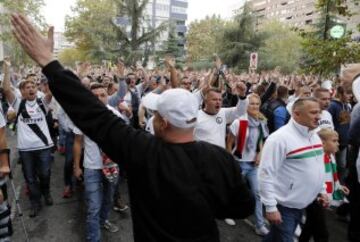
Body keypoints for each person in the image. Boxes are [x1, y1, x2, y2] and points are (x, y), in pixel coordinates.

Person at [10, 14, 255, 242]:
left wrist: (48, 61)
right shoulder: (220, 159)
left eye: (156, 114)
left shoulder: (143, 151)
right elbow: (243, 207)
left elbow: (93, 115)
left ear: (163, 122)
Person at [259, 97, 329, 242]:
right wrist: (271, 207)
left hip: (302, 204)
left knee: (274, 238)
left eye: (319, 112)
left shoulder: (315, 136)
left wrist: (321, 190)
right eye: (313, 113)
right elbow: (265, 174)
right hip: (284, 207)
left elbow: (317, 166)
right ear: (296, 114)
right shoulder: (279, 139)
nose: (318, 117)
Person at [2, 57, 54, 217]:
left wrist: (47, 63)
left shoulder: (43, 102)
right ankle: (35, 203)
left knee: (44, 174)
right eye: (27, 87)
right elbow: (6, 90)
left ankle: (46, 191)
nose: (31, 88)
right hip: (25, 150)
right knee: (30, 178)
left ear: (37, 88)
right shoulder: (18, 104)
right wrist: (6, 69)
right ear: (22, 91)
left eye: (33, 86)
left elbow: (52, 90)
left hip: (44, 147)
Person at [73, 83, 121, 242]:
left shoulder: (115, 115)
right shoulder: (82, 117)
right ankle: (94, 237)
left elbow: (123, 142)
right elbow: (78, 143)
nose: (99, 99)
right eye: (95, 96)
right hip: (92, 167)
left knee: (108, 199)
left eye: (102, 95)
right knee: (93, 206)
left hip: (112, 166)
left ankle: (103, 221)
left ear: (107, 96)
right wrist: (76, 166)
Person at [227, 93, 269, 236]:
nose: (255, 106)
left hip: (253, 164)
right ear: (246, 105)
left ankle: (259, 224)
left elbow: (262, 141)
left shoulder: (262, 121)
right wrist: (229, 161)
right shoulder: (238, 122)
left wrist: (260, 154)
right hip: (239, 162)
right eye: (252, 104)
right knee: (233, 190)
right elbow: (230, 142)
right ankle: (228, 213)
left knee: (257, 193)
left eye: (257, 104)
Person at [299, 128, 349, 242]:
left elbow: (330, 175)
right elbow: (315, 178)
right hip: (316, 197)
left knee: (309, 227)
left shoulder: (330, 156)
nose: (338, 144)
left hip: (322, 197)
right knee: (322, 234)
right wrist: (321, 193)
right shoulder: (317, 157)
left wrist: (338, 186)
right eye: (334, 141)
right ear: (322, 143)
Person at [328, 85, 353, 184]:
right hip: (333, 143)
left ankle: (340, 187)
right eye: (348, 93)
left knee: (342, 166)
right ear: (340, 93)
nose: (350, 96)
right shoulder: (332, 106)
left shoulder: (347, 106)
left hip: (343, 144)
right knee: (332, 167)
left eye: (351, 93)